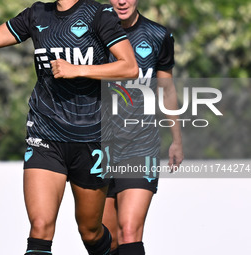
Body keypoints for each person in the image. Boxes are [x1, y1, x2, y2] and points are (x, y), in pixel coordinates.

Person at [0, 0, 139, 254]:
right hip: (45, 132)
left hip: (92, 136)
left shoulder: (98, 13)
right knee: (40, 226)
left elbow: (129, 66)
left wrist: (79, 70)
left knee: (90, 231)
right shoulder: (37, 13)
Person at [102, 0, 184, 254]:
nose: (122, 1)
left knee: (129, 232)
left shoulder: (158, 35)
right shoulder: (94, 32)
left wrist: (177, 140)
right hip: (97, 144)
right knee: (104, 239)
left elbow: (167, 89)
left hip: (140, 144)